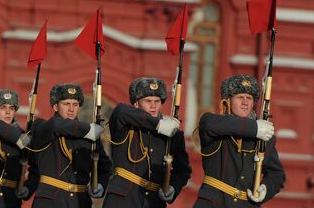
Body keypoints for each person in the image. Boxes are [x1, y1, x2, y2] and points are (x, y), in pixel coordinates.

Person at [193, 74, 285, 207]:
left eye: (249, 98)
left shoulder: (264, 138)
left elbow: (277, 175)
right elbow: (208, 124)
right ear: (228, 101)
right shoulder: (213, 124)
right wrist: (255, 128)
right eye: (240, 97)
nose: (245, 103)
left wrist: (265, 189)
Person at [102, 77, 191, 207]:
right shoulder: (125, 125)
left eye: (157, 101)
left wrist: (173, 187)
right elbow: (120, 110)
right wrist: (158, 125)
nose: (153, 106)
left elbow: (183, 170)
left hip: (153, 202)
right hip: (122, 200)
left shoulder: (173, 134)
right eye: (148, 101)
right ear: (136, 104)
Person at [28, 83, 112, 208]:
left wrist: (100, 184)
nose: (71, 109)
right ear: (55, 107)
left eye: (75, 104)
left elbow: (105, 167)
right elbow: (56, 125)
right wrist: (88, 129)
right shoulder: (42, 127)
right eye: (66, 104)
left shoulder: (89, 137)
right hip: (50, 202)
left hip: (80, 202)